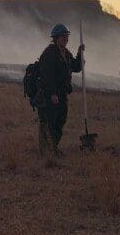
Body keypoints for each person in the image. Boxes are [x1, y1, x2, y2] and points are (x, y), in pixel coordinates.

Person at [36, 23, 85, 156]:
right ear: (56, 38)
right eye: (63, 37)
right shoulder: (49, 53)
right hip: (50, 95)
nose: (66, 39)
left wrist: (80, 53)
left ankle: (53, 148)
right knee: (49, 122)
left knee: (60, 121)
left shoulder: (65, 53)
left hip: (62, 95)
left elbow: (76, 67)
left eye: (67, 37)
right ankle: (46, 152)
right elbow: (47, 76)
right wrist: (52, 93)